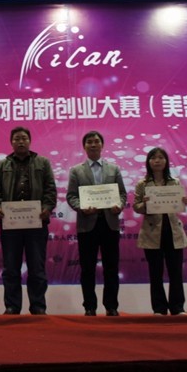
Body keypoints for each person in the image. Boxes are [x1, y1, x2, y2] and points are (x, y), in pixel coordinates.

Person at [0, 126, 57, 315]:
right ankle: (12, 306)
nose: (20, 141)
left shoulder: (42, 162)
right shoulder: (3, 165)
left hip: (36, 223)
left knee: (37, 268)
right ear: (11, 142)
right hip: (10, 225)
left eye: (24, 138)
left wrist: (47, 207)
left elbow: (50, 189)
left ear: (29, 141)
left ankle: (38, 306)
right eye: (17, 139)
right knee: (11, 268)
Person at [66, 131, 126, 317]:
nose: (93, 144)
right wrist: (81, 207)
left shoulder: (114, 169)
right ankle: (89, 307)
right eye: (89, 142)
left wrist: (119, 205)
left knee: (111, 267)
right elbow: (71, 196)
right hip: (87, 225)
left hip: (109, 224)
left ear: (102, 145)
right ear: (84, 146)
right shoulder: (76, 170)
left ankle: (111, 306)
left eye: (96, 141)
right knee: (87, 268)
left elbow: (122, 194)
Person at [132, 147, 187, 316]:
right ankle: (159, 308)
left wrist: (183, 202)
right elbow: (136, 207)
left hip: (173, 231)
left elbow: (179, 205)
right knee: (155, 273)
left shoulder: (175, 182)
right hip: (152, 233)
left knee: (176, 272)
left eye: (161, 157)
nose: (157, 161)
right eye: (153, 158)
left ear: (166, 161)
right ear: (148, 162)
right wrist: (145, 204)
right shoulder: (142, 184)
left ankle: (177, 307)